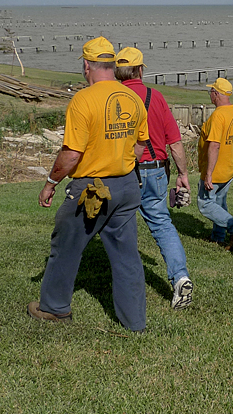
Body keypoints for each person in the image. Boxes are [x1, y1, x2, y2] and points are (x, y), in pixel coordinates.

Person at [29, 37, 150, 332]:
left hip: (93, 190)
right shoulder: (133, 98)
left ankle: (54, 307)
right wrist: (118, 161)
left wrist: (50, 182)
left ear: (86, 66)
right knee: (126, 255)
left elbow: (71, 155)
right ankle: (135, 321)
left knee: (67, 246)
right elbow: (140, 146)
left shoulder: (83, 100)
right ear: (111, 65)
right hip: (126, 185)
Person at [115, 47, 194, 309]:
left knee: (120, 227)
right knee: (161, 224)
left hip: (124, 172)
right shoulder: (155, 97)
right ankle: (180, 277)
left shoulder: (113, 97)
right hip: (156, 171)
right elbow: (175, 143)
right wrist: (183, 174)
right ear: (139, 70)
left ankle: (126, 286)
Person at [197, 77, 233, 250]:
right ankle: (218, 237)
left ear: (216, 94)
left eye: (211, 91)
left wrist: (208, 174)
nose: (210, 94)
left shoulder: (218, 115)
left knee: (205, 204)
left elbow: (215, 145)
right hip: (230, 166)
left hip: (216, 169)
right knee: (219, 202)